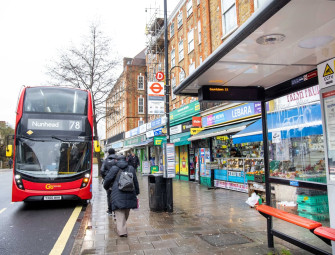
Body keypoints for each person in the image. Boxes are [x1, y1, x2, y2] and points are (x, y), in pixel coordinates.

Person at [103, 154, 140, 237]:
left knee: (119, 212)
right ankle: (122, 228)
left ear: (116, 160)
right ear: (126, 159)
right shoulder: (131, 168)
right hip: (130, 192)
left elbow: (108, 179)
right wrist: (137, 192)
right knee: (126, 210)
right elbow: (135, 181)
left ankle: (122, 231)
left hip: (117, 193)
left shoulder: (114, 168)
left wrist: (106, 187)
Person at [100, 148, 117, 215]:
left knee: (109, 195)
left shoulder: (106, 161)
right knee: (117, 195)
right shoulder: (117, 160)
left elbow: (102, 170)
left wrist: (106, 177)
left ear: (108, 153)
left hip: (109, 181)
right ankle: (116, 210)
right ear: (114, 152)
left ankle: (110, 210)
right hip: (116, 180)